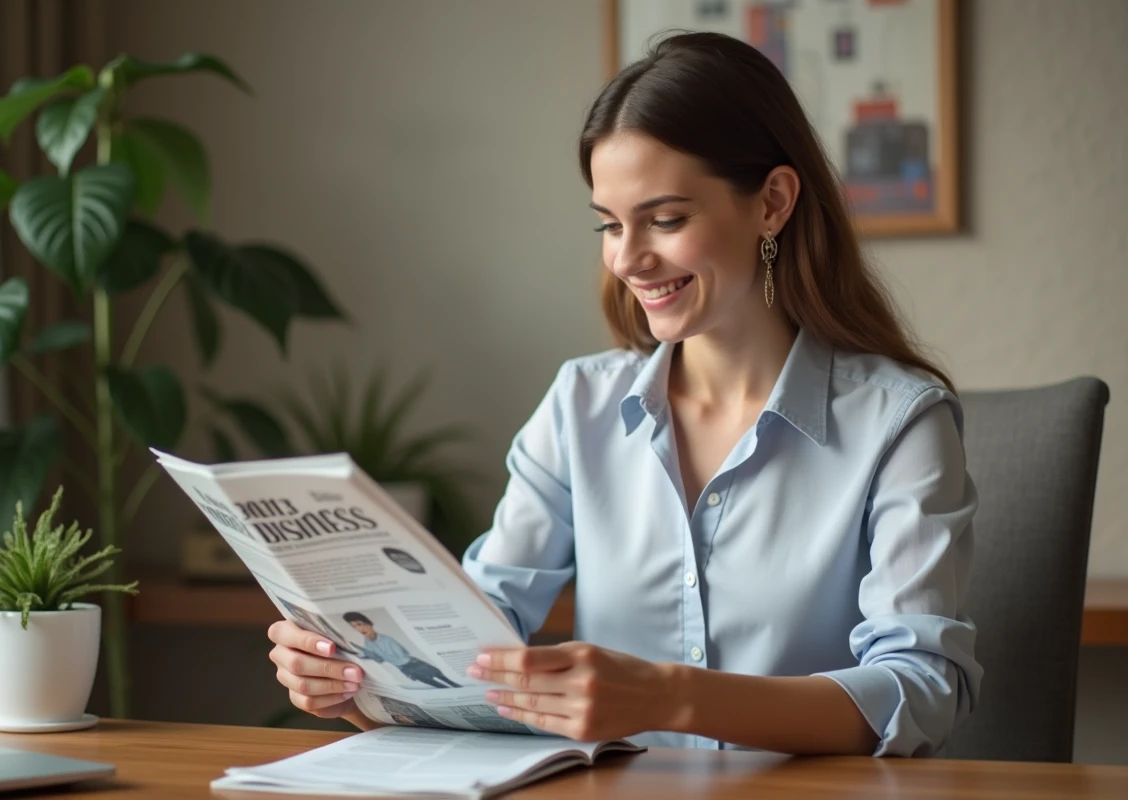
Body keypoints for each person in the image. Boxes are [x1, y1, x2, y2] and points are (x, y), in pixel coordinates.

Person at [266, 31, 981, 757]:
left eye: (666, 220)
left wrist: (673, 697)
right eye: (610, 224)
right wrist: (358, 677)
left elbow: (920, 687)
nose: (628, 259)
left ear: (772, 202)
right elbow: (477, 635)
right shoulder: (580, 405)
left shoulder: (901, 423)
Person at [343, 612, 462, 689]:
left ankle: (454, 684)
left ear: (369, 624)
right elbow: (379, 659)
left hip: (410, 663)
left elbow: (401, 655)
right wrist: (366, 655)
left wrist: (380, 656)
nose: (358, 628)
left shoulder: (387, 639)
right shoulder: (367, 643)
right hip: (403, 668)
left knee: (436, 673)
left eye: (360, 624)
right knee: (429, 681)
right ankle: (446, 689)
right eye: (354, 626)